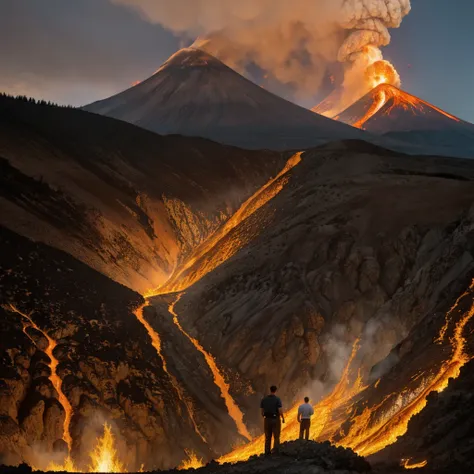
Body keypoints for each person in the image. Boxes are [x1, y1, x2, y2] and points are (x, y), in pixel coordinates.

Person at [260, 385, 285, 454]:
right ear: (275, 390)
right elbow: (280, 410)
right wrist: (282, 417)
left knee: (268, 437)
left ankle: (267, 452)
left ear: (270, 390)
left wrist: (266, 417)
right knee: (276, 436)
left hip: (267, 420)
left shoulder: (264, 399)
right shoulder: (277, 399)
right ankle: (275, 452)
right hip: (275, 419)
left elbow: (262, 412)